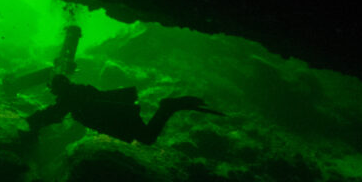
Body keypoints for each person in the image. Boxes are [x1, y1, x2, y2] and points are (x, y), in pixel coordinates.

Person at [24, 74, 222, 145]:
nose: (52, 92)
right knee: (147, 137)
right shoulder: (77, 91)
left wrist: (30, 122)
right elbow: (56, 112)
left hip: (118, 117)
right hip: (119, 114)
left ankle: (168, 106)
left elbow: (54, 114)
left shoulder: (70, 98)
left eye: (52, 89)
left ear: (58, 88)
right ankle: (169, 107)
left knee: (147, 138)